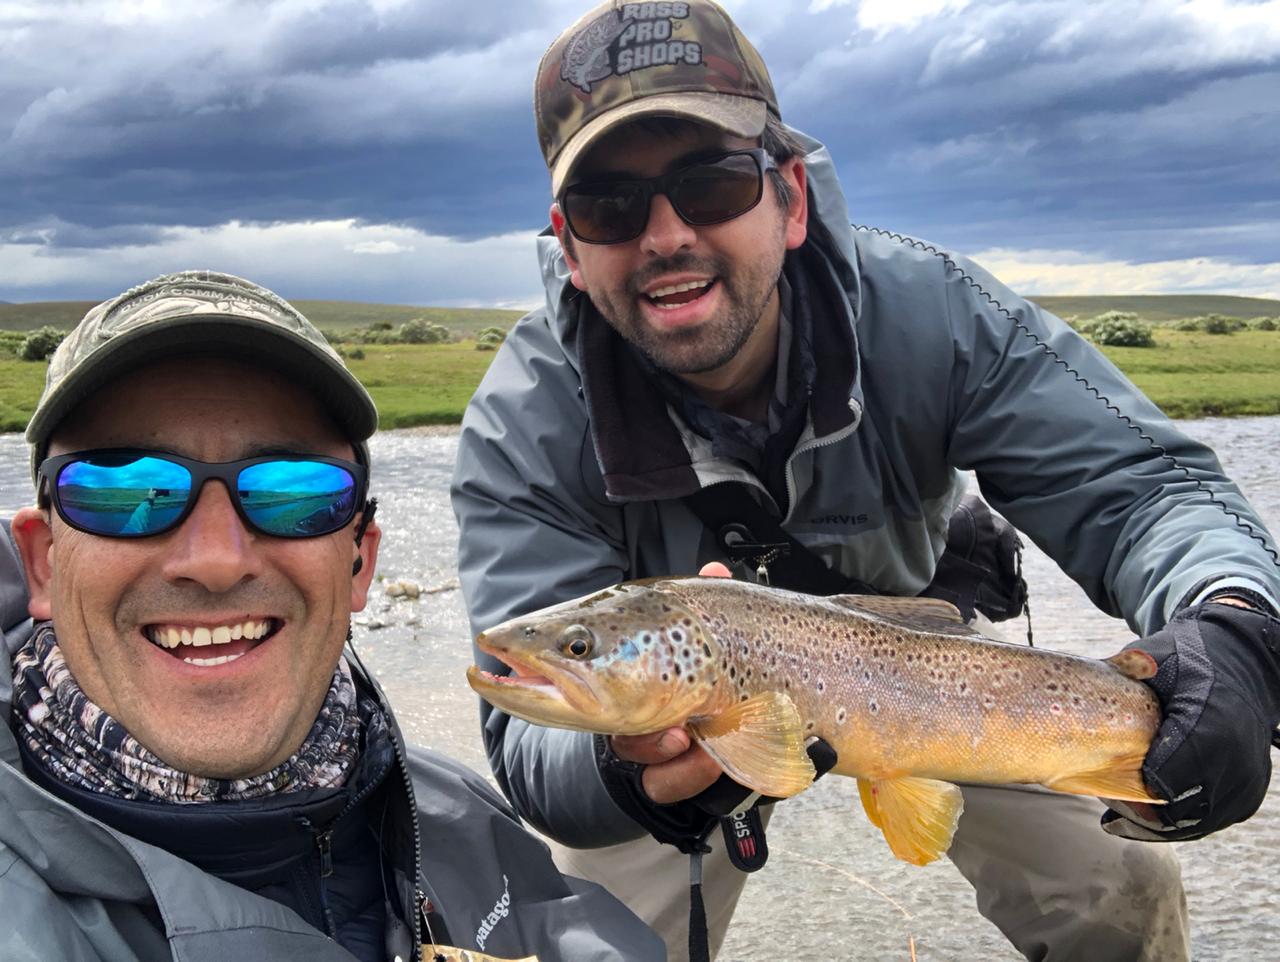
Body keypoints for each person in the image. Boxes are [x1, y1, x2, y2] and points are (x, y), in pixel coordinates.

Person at [450, 2, 1280, 960]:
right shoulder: (523, 421)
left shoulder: (934, 313)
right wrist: (627, 775)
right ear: (569, 239)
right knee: (576, 941)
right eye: (610, 204)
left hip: (921, 665)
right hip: (674, 731)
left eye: (711, 183)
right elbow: (530, 749)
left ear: (789, 196)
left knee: (1119, 886)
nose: (665, 235)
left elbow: (1143, 488)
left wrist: (1237, 622)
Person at [0, 270, 665, 962]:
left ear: (358, 562)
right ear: (43, 561)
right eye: (128, 488)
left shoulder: (448, 812)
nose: (216, 560)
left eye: (294, 490)